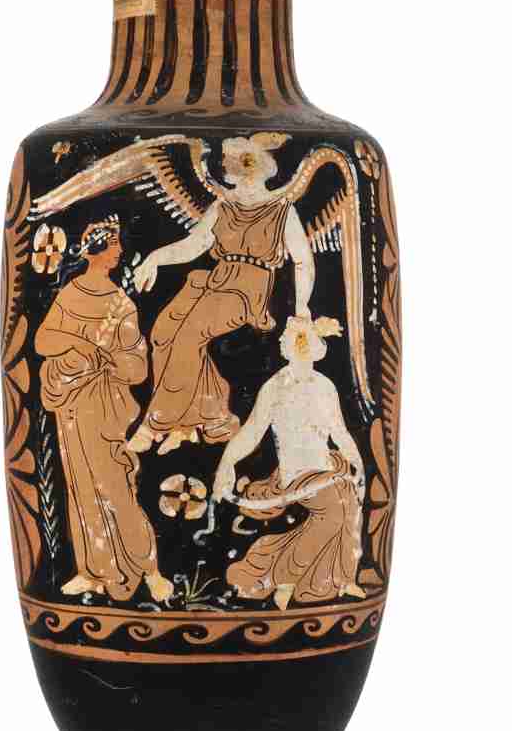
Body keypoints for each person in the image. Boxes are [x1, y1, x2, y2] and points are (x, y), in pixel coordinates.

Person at [127, 133, 315, 455]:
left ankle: (155, 424)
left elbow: (303, 261)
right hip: (215, 280)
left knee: (189, 334)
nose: (246, 181)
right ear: (231, 174)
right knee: (164, 332)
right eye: (240, 173)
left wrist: (302, 308)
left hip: (247, 290)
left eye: (252, 172)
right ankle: (207, 420)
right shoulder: (223, 206)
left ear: (266, 171)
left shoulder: (282, 210)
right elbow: (194, 245)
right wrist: (155, 258)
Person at [34, 216, 173, 603]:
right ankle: (92, 571)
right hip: (70, 402)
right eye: (113, 244)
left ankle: (150, 569)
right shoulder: (70, 294)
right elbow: (43, 340)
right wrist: (79, 344)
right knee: (81, 488)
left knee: (115, 487)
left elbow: (137, 368)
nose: (120, 251)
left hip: (104, 404)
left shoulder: (120, 305)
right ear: (96, 250)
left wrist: (108, 357)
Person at [212, 316, 368, 610]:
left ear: (316, 347)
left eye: (306, 341)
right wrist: (226, 464)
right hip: (296, 473)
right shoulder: (276, 387)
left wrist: (358, 463)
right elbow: (252, 432)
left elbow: (339, 432)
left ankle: (341, 578)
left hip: (326, 467)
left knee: (348, 503)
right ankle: (283, 575)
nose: (301, 347)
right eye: (296, 342)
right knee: (336, 507)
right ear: (287, 348)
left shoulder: (325, 386)